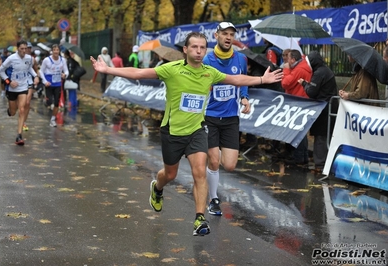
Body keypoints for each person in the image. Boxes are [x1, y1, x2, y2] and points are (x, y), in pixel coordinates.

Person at [90, 32, 283, 236]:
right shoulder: (171, 70)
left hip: (197, 131)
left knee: (200, 172)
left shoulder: (210, 72)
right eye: (194, 47)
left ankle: (200, 219)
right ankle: (157, 187)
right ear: (185, 49)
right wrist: (107, 69)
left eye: (202, 48)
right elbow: (139, 73)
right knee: (169, 175)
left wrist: (262, 79)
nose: (199, 51)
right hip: (172, 131)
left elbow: (235, 79)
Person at [202, 22, 249, 216]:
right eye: (224, 34)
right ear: (216, 36)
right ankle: (213, 199)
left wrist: (244, 97)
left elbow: (244, 80)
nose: (228, 37)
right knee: (214, 162)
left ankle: (208, 170)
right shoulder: (206, 59)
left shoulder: (241, 59)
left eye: (231, 34)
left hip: (231, 117)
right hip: (210, 116)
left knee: (229, 164)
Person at [298, 51, 338, 171]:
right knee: (326, 136)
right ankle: (324, 163)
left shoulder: (320, 73)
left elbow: (311, 92)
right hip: (328, 107)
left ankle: (320, 165)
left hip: (324, 108)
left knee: (321, 136)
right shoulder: (324, 70)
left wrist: (304, 84)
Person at [0, 40, 39, 145]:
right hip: (12, 88)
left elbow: (29, 68)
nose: (24, 51)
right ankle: (10, 110)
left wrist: (36, 76)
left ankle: (19, 136)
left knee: (22, 109)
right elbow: (0, 71)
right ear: (17, 48)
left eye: (25, 49)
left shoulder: (29, 58)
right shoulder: (11, 59)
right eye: (22, 49)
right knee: (13, 112)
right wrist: (9, 81)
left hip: (23, 87)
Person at [281, 49, 312, 165]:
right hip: (301, 100)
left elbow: (285, 83)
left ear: (293, 59)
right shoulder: (303, 67)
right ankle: (302, 156)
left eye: (288, 58)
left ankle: (299, 157)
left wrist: (286, 69)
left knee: (298, 131)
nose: (286, 61)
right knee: (301, 131)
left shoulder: (298, 69)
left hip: (297, 102)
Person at [39, 44, 69, 127]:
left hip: (58, 84)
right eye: (54, 50)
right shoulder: (46, 60)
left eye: (57, 50)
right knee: (49, 102)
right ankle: (47, 102)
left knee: (56, 103)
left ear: (59, 51)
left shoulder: (63, 60)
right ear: (52, 51)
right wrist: (45, 82)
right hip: (49, 84)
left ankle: (53, 119)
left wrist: (65, 75)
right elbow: (41, 71)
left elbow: (66, 71)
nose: (56, 52)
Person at [22, 42, 40, 131]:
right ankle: (21, 117)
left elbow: (36, 70)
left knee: (27, 102)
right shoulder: (18, 58)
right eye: (26, 48)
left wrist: (37, 77)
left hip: (29, 82)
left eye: (29, 48)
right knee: (21, 103)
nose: (28, 50)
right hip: (19, 82)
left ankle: (23, 122)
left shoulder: (33, 59)